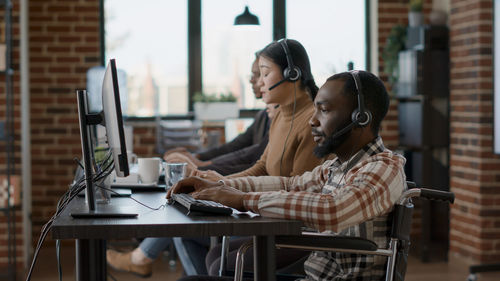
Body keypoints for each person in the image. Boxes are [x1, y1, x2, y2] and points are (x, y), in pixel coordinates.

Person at [170, 70, 407, 281]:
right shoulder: (338, 166)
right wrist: (219, 184)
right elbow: (290, 183)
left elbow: (332, 210)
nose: (313, 121)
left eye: (323, 110)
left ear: (361, 118)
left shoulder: (384, 168)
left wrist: (242, 200)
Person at [106, 54, 271, 278]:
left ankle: (140, 258)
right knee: (181, 217)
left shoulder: (280, 119)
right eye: (254, 75)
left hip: (255, 208)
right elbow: (235, 147)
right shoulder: (264, 115)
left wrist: (202, 164)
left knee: (180, 219)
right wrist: (196, 157)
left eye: (261, 74)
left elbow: (252, 157)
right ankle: (144, 259)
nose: (255, 81)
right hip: (243, 193)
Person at [174, 38, 327, 276]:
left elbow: (300, 189)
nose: (259, 82)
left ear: (292, 74)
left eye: (265, 74)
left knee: (220, 264)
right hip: (271, 218)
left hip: (297, 227)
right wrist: (220, 185)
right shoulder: (279, 117)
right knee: (215, 256)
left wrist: (237, 194)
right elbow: (262, 166)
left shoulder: (312, 122)